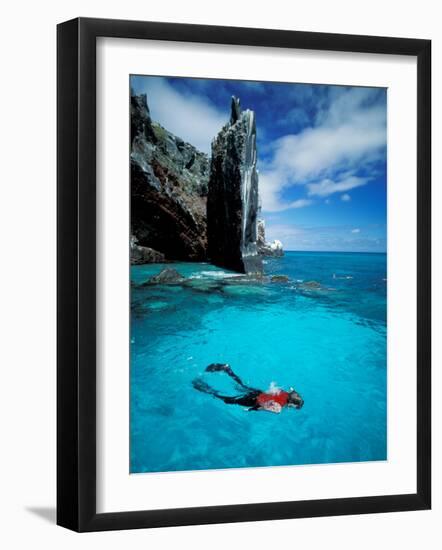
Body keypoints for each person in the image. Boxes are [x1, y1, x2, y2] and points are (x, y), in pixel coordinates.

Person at [192, 363, 304, 413]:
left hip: (258, 392)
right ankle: (202, 387)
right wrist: (250, 409)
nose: (292, 408)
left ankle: (228, 370)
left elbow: (270, 392)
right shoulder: (279, 408)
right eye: (294, 406)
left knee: (242, 386)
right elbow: (262, 407)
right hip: (252, 400)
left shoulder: (283, 392)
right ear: (292, 403)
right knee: (228, 400)